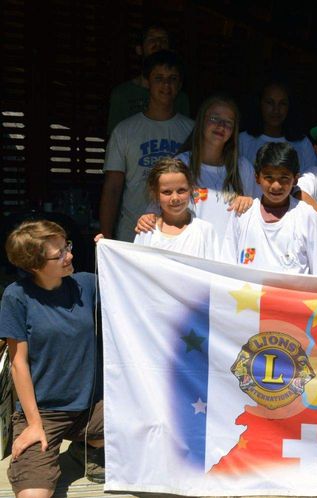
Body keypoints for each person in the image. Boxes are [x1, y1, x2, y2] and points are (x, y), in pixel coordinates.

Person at [1, 221, 105, 496]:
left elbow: (138, 283)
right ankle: (82, 444)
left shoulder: (86, 284)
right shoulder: (16, 296)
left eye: (67, 246)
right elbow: (18, 363)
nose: (69, 255)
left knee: (151, 423)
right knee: (33, 494)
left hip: (91, 408)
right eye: (58, 254)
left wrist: (111, 252)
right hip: (43, 412)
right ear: (33, 264)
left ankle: (90, 446)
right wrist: (34, 424)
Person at [100, 50, 194, 242]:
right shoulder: (125, 130)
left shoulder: (192, 131)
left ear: (180, 84)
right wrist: (106, 234)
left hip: (179, 235)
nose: (166, 85)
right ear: (147, 82)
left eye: (172, 79)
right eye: (159, 78)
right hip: (131, 233)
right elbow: (112, 188)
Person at [135, 95, 258, 240]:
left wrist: (250, 203)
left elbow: (258, 216)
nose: (221, 126)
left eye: (228, 123)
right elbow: (157, 210)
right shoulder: (181, 164)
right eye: (214, 118)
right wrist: (147, 218)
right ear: (201, 121)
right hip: (189, 253)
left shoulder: (243, 168)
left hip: (228, 256)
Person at [221, 142, 317, 274]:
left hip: (293, 294)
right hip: (248, 294)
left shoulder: (307, 216)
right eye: (269, 177)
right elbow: (227, 265)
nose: (276, 185)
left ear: (295, 179)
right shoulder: (243, 213)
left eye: (284, 178)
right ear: (257, 178)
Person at [106, 25, 190, 134]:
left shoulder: (180, 97)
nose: (158, 43)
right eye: (152, 39)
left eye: (163, 40)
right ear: (139, 49)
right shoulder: (122, 94)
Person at [132, 158, 218, 258]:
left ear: (191, 189)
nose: (175, 198)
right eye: (167, 192)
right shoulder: (147, 230)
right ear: (154, 194)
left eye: (181, 190)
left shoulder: (205, 231)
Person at [238, 80, 316, 173]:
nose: (276, 110)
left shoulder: (303, 143)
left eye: (282, 103)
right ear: (259, 104)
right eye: (269, 103)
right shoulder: (243, 140)